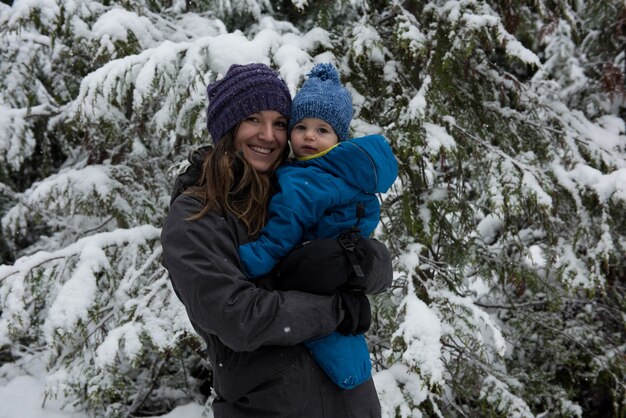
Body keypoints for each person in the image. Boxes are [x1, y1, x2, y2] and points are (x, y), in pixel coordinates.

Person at [160, 63, 393, 417]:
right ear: (228, 128)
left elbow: (381, 268)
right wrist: (337, 310)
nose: (268, 135)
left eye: (280, 123)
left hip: (352, 402)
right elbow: (238, 317)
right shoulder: (196, 216)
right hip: (270, 407)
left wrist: (354, 261)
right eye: (254, 119)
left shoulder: (295, 186)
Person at [237, 63, 398, 390]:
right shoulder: (339, 171)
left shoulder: (307, 177)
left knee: (327, 335)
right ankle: (353, 372)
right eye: (301, 127)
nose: (309, 136)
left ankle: (350, 373)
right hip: (334, 262)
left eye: (322, 130)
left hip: (315, 262)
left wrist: (257, 256)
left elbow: (288, 223)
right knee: (336, 326)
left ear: (339, 138)